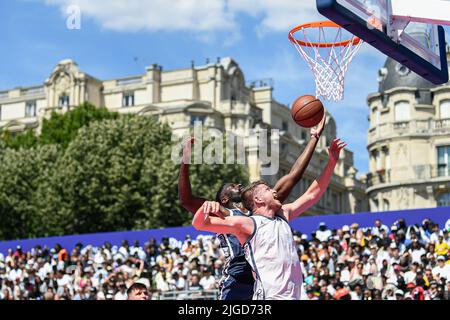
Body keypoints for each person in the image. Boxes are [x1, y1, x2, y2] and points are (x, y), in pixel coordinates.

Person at [179, 115, 326, 300]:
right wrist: (184, 160)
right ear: (224, 199)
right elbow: (186, 200)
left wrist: (314, 138)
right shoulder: (222, 211)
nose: (239, 185)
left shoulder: (262, 212)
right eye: (233, 186)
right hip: (238, 279)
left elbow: (294, 175)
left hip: (263, 278)